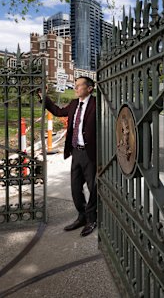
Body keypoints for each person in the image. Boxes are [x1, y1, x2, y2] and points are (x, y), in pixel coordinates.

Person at [41, 76, 97, 237]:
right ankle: (82, 216)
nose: (76, 88)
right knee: (75, 187)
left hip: (90, 153)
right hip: (76, 152)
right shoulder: (74, 104)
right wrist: (45, 98)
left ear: (89, 88)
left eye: (79, 85)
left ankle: (92, 219)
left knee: (93, 187)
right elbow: (58, 112)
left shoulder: (96, 105)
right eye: (75, 85)